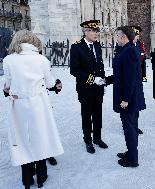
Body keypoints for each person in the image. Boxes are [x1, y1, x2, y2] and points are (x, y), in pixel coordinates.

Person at [2, 29, 64, 189]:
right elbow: (50, 83)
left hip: (19, 105)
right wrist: (55, 84)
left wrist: (12, 89)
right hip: (39, 104)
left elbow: (7, 86)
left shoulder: (8, 60)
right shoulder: (41, 59)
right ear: (33, 41)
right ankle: (41, 177)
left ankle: (27, 179)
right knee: (40, 137)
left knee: (23, 140)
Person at [105, 26, 146, 167]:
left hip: (129, 98)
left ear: (123, 37)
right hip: (130, 96)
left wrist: (126, 99)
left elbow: (130, 79)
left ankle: (133, 159)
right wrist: (106, 80)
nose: (116, 38)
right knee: (131, 127)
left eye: (117, 36)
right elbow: (121, 74)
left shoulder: (129, 51)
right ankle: (131, 151)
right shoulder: (127, 49)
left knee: (129, 128)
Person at [70, 20, 108, 154]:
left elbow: (100, 65)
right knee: (87, 115)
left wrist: (102, 80)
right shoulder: (76, 47)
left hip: (98, 88)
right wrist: (92, 79)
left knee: (98, 114)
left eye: (97, 31)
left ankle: (97, 138)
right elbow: (74, 70)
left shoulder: (97, 45)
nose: (96, 33)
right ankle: (88, 140)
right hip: (85, 88)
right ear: (85, 31)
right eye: (93, 31)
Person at [131, 25, 147, 134]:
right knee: (128, 102)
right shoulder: (124, 45)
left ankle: (135, 125)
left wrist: (144, 75)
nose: (135, 36)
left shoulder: (140, 45)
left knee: (136, 102)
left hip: (138, 79)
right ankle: (128, 126)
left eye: (136, 34)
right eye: (133, 33)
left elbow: (143, 62)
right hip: (128, 79)